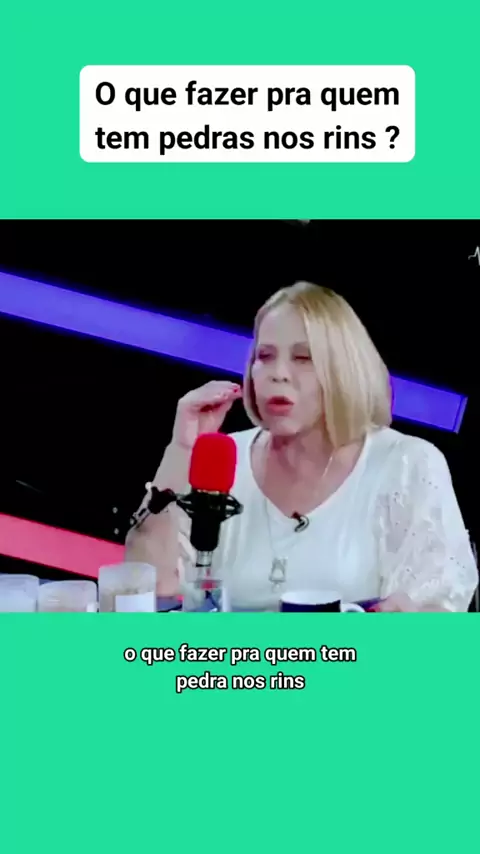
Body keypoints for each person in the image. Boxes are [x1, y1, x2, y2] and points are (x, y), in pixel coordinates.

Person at [125, 282, 478, 612]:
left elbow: (436, 609)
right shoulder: (222, 460)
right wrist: (181, 449)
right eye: (265, 355)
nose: (278, 373)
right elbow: (148, 589)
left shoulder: (406, 464)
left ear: (343, 369)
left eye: (303, 358)